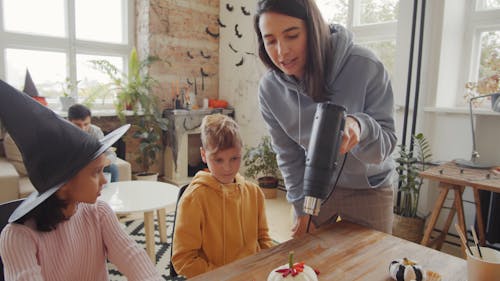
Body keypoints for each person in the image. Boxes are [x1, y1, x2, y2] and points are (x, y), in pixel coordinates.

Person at [253, 0, 397, 236]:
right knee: (305, 264)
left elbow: (383, 149)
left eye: (292, 35)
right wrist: (301, 208)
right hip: (312, 189)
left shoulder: (367, 66)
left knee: (372, 269)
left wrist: (360, 127)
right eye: (270, 41)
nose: (282, 51)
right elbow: (288, 155)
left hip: (368, 189)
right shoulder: (270, 89)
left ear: (313, 29)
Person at [0, 80, 162, 281]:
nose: (104, 180)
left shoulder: (99, 213)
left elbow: (132, 255)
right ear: (63, 183)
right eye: (95, 172)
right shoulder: (18, 237)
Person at [171, 114, 275, 278]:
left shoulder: (254, 193)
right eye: (218, 160)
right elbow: (183, 259)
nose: (227, 168)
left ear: (242, 150)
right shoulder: (194, 199)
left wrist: (268, 266)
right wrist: (226, 275)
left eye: (234, 158)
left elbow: (264, 239)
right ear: (204, 155)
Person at [68, 104, 120, 182]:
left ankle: (110, 194)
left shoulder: (95, 132)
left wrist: (104, 162)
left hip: (91, 165)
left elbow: (111, 154)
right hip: (70, 168)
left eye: (86, 124)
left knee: (113, 169)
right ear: (69, 121)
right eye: (78, 125)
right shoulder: (62, 133)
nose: (83, 129)